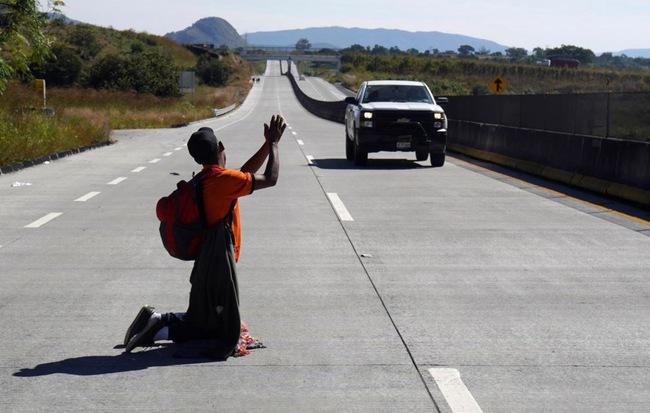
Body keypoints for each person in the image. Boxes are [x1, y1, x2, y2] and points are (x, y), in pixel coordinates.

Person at [123, 114, 287, 356]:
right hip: (217, 262)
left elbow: (244, 173)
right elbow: (270, 179)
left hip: (208, 259)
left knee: (204, 314)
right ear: (221, 147)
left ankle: (157, 319)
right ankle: (156, 330)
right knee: (216, 327)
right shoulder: (221, 180)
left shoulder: (209, 179)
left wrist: (267, 143)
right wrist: (273, 144)